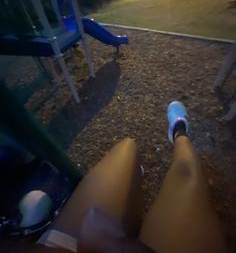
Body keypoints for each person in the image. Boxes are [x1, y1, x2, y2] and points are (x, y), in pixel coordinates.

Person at [2, 101, 227, 252]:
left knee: (127, 147)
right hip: (70, 244)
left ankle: (136, 190)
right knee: (187, 173)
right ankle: (179, 131)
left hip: (56, 246)